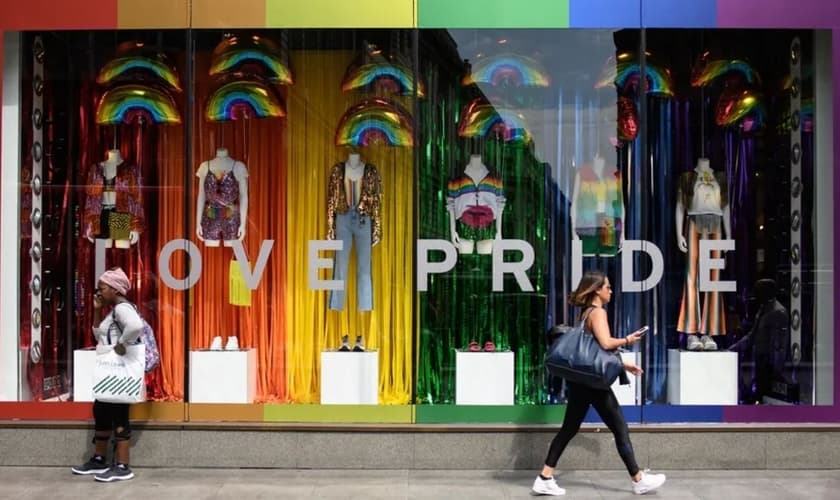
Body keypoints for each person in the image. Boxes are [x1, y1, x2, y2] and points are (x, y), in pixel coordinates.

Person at [532, 269, 666, 496]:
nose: (611, 291)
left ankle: (545, 476)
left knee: (569, 429)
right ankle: (638, 479)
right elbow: (605, 344)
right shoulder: (598, 313)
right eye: (608, 287)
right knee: (620, 428)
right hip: (594, 384)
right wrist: (628, 339)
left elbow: (592, 353)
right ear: (597, 290)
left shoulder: (585, 313)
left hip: (582, 382)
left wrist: (624, 365)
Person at [71, 267, 143, 482]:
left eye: (102, 287)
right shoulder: (113, 311)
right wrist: (96, 310)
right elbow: (99, 336)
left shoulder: (122, 308)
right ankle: (99, 460)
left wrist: (122, 344)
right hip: (111, 369)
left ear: (114, 288)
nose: (99, 291)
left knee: (118, 412)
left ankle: (122, 465)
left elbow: (135, 326)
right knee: (101, 409)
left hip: (118, 370)